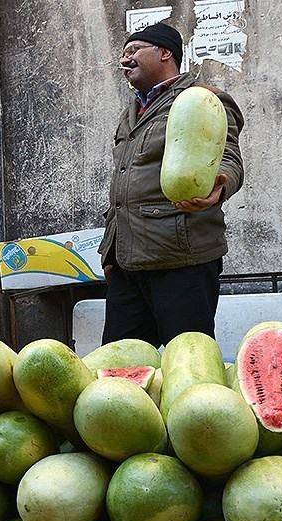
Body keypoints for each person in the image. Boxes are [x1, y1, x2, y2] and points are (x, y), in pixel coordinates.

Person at [98, 22, 245, 349]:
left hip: (182, 260)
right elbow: (123, 180)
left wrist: (219, 186)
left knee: (189, 360)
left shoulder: (205, 100)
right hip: (127, 264)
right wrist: (110, 251)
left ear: (166, 53)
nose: (125, 59)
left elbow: (229, 158)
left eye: (134, 50)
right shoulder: (132, 111)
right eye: (123, 53)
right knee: (121, 366)